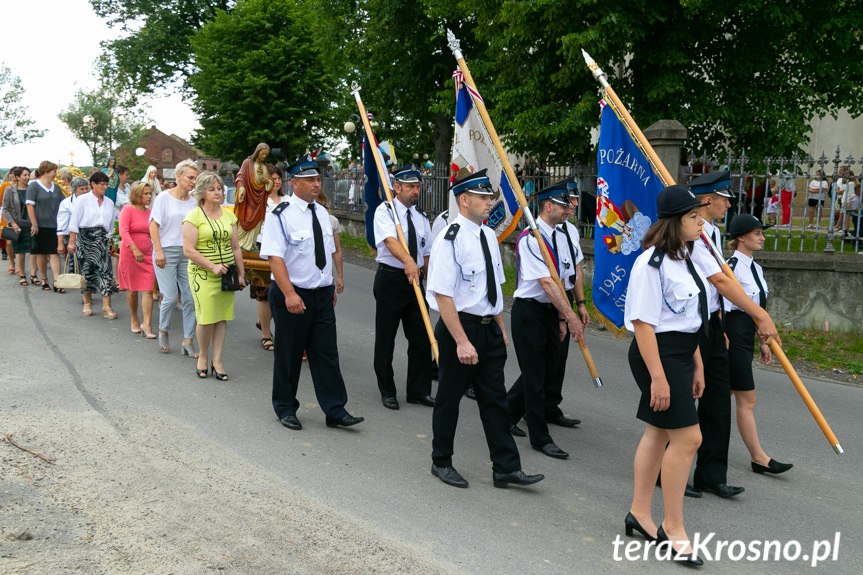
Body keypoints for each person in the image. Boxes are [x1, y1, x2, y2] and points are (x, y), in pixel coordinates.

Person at [426, 169, 544, 489]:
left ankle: (505, 467)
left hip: (487, 329)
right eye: (483, 197)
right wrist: (462, 342)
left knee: (495, 400)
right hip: (459, 330)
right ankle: (442, 461)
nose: (490, 202)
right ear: (464, 200)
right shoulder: (449, 238)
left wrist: (500, 326)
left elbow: (492, 289)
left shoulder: (488, 235)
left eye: (490, 197)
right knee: (449, 398)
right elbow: (442, 294)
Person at [623, 184, 708, 566]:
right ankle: (673, 528)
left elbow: (689, 319)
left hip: (681, 353)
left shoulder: (688, 257)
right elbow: (643, 324)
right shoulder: (650, 263)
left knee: (658, 433)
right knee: (689, 438)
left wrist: (698, 364)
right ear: (675, 222)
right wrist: (658, 377)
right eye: (693, 216)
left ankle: (639, 513)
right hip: (655, 355)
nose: (700, 221)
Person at [687, 170, 779, 499]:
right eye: (725, 198)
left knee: (716, 403)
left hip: (712, 323)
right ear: (708, 199)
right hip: (690, 323)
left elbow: (720, 295)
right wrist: (760, 315)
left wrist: (721, 325)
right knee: (682, 400)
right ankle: (664, 471)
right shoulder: (694, 233)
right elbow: (721, 282)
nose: (729, 204)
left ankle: (711, 474)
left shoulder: (710, 231)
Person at [259, 154, 364, 430]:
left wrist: (329, 284)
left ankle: (335, 409)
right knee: (289, 353)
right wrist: (290, 294)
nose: (317, 184)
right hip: (292, 293)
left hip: (321, 294)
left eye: (318, 179)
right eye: (310, 180)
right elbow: (275, 258)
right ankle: (285, 407)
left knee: (326, 352)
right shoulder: (280, 215)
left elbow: (326, 253)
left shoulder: (321, 213)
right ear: (295, 183)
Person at [506, 181, 585, 459]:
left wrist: (563, 318)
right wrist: (571, 316)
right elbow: (547, 284)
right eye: (564, 205)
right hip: (530, 312)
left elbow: (563, 280)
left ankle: (504, 415)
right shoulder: (530, 239)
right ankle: (540, 437)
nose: (570, 209)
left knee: (545, 370)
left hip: (552, 311)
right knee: (536, 374)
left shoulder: (563, 236)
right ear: (548, 205)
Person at [723, 214, 793, 475]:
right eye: (757, 233)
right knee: (746, 398)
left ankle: (682, 433)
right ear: (741, 237)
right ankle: (759, 457)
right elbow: (724, 307)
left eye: (762, 233)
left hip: (746, 334)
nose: (762, 237)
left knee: (722, 394)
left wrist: (762, 342)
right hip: (732, 333)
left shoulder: (756, 267)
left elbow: (756, 309)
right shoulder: (730, 267)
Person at [372, 163, 434, 410]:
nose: (415, 191)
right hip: (391, 279)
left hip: (415, 282)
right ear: (397, 188)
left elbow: (427, 254)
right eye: (410, 187)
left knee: (421, 337)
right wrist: (408, 261)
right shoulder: (385, 211)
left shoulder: (421, 219)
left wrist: (431, 283)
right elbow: (389, 241)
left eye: (417, 187)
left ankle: (418, 390)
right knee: (386, 339)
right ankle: (387, 390)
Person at [183, 172, 246, 380]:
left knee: (221, 318)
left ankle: (217, 360)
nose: (218, 192)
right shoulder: (194, 216)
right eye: (212, 189)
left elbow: (235, 247)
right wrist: (212, 266)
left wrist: (241, 273)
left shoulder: (230, 215)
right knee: (206, 317)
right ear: (202, 193)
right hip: (202, 274)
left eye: (219, 188)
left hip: (227, 274)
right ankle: (203, 355)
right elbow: (189, 250)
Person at [547, 179, 589, 426]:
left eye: (574, 201)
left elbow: (576, 270)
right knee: (546, 359)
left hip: (566, 297)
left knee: (559, 357)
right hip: (549, 299)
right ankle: (520, 408)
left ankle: (551, 404)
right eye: (569, 201)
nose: (573, 205)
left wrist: (581, 303)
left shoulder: (570, 230)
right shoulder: (540, 232)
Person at [150, 159, 199, 356]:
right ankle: (163, 330)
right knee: (170, 297)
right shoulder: (163, 198)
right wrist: (159, 250)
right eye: (190, 177)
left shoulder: (195, 202)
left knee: (190, 298)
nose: (193, 182)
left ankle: (188, 340)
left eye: (195, 178)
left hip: (188, 253)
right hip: (166, 251)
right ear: (178, 177)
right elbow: (153, 225)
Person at [248, 164, 287, 352]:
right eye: (273, 178)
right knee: (264, 294)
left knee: (282, 290)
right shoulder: (258, 202)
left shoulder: (289, 200)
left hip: (286, 249)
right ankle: (265, 334)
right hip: (263, 247)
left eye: (279, 178)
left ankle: (263, 321)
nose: (277, 181)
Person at [68, 171, 117, 318]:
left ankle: (107, 306)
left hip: (102, 239)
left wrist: (113, 240)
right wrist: (72, 242)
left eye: (106, 184)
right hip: (85, 238)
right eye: (101, 184)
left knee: (105, 272)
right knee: (86, 271)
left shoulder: (109, 202)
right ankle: (87, 302)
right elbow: (74, 221)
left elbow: (110, 225)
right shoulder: (82, 200)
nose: (105, 187)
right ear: (93, 184)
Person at [119, 182, 157, 338]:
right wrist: (134, 249)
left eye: (150, 194)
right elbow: (123, 231)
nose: (149, 196)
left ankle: (147, 324)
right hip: (130, 253)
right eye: (145, 193)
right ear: (137, 194)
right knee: (132, 289)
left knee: (148, 289)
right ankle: (134, 318)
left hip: (148, 254)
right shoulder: (127, 210)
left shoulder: (151, 213)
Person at [25, 161, 64, 292]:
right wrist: (34, 223)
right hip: (40, 225)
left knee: (54, 253)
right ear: (46, 172)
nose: (55, 174)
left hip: (54, 225)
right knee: (41, 253)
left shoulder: (56, 187)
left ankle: (57, 281)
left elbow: (63, 204)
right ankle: (44, 279)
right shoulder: (34, 186)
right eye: (54, 171)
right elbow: (30, 205)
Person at [234, 143, 274, 250]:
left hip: (260, 199)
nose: (264, 156)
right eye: (262, 153)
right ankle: (239, 242)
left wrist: (268, 181)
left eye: (266, 154)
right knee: (245, 218)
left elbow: (270, 183)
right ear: (257, 153)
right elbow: (240, 176)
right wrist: (241, 188)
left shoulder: (266, 167)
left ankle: (250, 243)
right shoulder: (247, 163)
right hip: (248, 197)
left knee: (256, 220)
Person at [2, 166, 35, 285]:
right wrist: (13, 224)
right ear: (17, 177)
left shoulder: (32, 189)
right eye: (25, 175)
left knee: (33, 250)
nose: (27, 177)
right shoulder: (10, 190)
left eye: (28, 175)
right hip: (17, 224)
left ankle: (33, 275)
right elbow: (5, 209)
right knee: (20, 251)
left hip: (31, 224)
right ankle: (22, 275)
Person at [56, 176, 91, 272]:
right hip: (73, 238)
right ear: (74, 190)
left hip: (89, 236)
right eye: (81, 189)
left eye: (86, 188)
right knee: (75, 264)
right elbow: (61, 224)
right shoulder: (66, 203)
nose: (84, 191)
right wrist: (60, 244)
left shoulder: (92, 201)